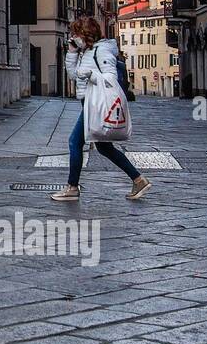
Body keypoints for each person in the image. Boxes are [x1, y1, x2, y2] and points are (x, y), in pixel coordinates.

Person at [51, 15, 151, 203]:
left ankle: (72, 187)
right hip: (88, 102)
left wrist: (91, 74)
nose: (73, 37)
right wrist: (71, 53)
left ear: (85, 34)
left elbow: (110, 78)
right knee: (104, 148)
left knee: (74, 142)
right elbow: (74, 76)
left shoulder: (102, 51)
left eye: (76, 33)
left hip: (96, 103)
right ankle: (138, 179)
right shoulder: (86, 52)